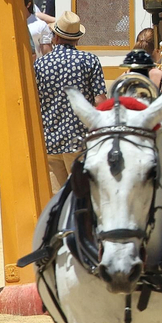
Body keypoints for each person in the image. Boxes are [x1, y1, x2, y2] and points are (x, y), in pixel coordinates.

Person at [33, 11, 107, 189]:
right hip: (81, 141)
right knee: (82, 199)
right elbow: (100, 101)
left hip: (50, 140)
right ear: (77, 39)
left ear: (55, 37)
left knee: (57, 201)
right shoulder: (89, 61)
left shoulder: (40, 65)